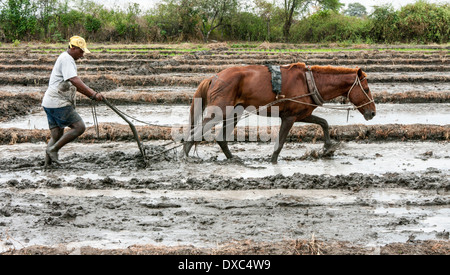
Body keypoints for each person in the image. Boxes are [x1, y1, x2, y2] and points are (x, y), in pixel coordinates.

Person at [42, 36, 104, 166]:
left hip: (49, 102)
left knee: (56, 135)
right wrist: (93, 94)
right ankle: (54, 149)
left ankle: (48, 165)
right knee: (79, 127)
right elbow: (74, 80)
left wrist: (91, 95)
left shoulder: (65, 58)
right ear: (73, 48)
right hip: (58, 102)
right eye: (81, 52)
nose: (82, 55)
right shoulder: (67, 59)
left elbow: (74, 84)